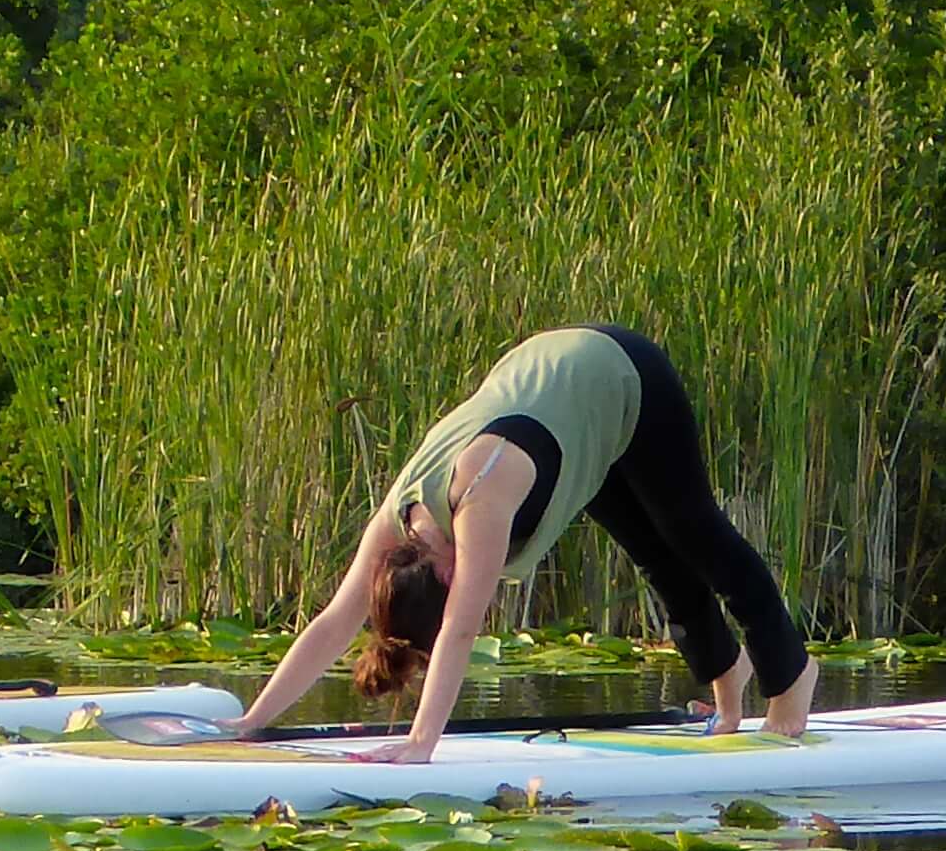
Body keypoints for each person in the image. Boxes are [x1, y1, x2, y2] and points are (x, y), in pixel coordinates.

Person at [209, 325, 814, 763]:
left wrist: (422, 745)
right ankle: (727, 694)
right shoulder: (396, 525)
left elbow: (461, 633)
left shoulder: (481, 504)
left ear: (444, 579)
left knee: (692, 531)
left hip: (618, 372)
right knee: (654, 555)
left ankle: (791, 680)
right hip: (562, 405)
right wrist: (251, 722)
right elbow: (335, 621)